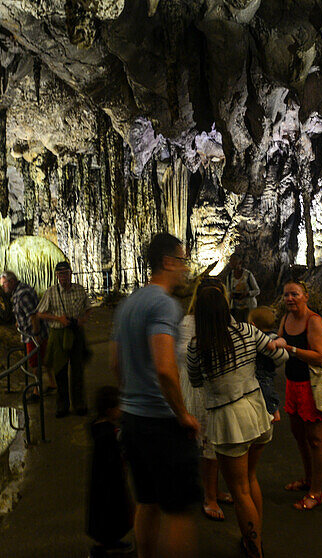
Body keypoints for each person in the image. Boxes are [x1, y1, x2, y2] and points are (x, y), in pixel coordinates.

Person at [111, 233, 201, 558]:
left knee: (146, 502)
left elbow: (115, 362)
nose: (185, 269)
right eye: (183, 261)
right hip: (162, 423)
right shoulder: (164, 304)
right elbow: (165, 367)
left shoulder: (128, 304)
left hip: (133, 420)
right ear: (168, 262)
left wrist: (129, 399)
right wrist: (182, 414)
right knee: (177, 510)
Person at [187, 285, 287, 558]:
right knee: (250, 479)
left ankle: (254, 548)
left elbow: (196, 381)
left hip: (229, 421)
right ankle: (256, 540)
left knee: (240, 490)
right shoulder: (247, 331)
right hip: (257, 413)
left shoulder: (197, 346)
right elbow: (281, 356)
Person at [177, 278, 233, 523]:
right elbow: (184, 356)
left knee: (213, 446)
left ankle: (212, 490)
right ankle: (209, 496)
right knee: (207, 446)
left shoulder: (225, 320)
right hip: (197, 389)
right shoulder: (188, 323)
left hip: (213, 388)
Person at [272, 281, 322, 511]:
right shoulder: (285, 320)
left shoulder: (313, 321)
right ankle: (308, 480)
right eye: (286, 295)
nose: (289, 298)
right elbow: (279, 344)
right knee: (299, 437)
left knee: (315, 439)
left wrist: (291, 350)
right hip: (292, 384)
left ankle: (316, 492)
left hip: (312, 386)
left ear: (305, 296)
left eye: (294, 294)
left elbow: (319, 356)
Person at [38, 260, 90, 417]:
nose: (63, 277)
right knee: (60, 371)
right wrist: (57, 319)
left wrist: (82, 320)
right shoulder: (51, 292)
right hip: (59, 334)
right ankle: (62, 406)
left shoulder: (79, 291)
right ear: (57, 276)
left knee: (77, 371)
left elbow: (88, 309)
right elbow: (40, 313)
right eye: (60, 274)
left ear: (70, 274)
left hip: (76, 333)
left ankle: (79, 404)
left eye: (66, 274)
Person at [86, 385, 134, 558]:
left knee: (104, 518)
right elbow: (116, 457)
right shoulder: (109, 435)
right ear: (110, 410)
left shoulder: (97, 428)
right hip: (110, 485)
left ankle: (108, 543)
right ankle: (101, 548)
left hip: (100, 485)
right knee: (111, 516)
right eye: (119, 407)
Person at [1, 270, 55, 400]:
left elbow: (33, 315)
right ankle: (52, 384)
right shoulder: (21, 290)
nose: (3, 287)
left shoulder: (22, 294)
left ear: (12, 282)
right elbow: (25, 313)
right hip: (35, 331)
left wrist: (36, 334)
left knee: (35, 363)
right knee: (45, 359)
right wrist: (19, 321)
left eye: (4, 284)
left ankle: (37, 390)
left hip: (33, 334)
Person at [248, 306, 281, 423]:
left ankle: (274, 411)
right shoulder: (254, 337)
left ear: (252, 325)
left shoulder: (270, 336)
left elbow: (283, 341)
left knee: (267, 390)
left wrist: (275, 343)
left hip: (266, 370)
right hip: (258, 370)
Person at [225, 254, 260, 324]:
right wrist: (231, 295)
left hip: (248, 308)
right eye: (230, 260)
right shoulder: (229, 277)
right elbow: (227, 292)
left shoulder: (248, 275)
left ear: (240, 262)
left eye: (234, 260)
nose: (231, 262)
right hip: (236, 309)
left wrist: (247, 293)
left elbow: (257, 291)